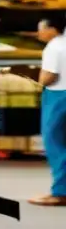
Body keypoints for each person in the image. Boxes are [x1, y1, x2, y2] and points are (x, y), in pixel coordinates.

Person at [30, 14, 66, 206]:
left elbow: (48, 77)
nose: (38, 32)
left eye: (41, 28)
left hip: (58, 97)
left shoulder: (54, 47)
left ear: (52, 29)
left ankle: (61, 192)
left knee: (55, 142)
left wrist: (37, 80)